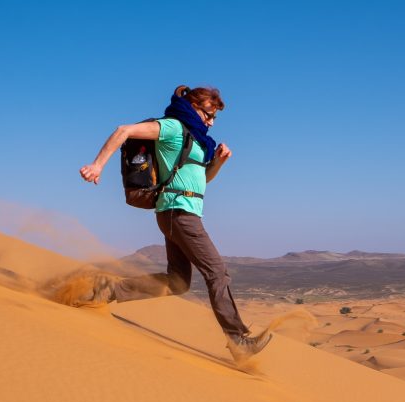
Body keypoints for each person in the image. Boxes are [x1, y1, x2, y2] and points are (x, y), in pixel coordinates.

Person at [79, 85, 272, 360]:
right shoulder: (172, 127)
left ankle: (106, 290)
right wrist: (97, 165)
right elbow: (123, 130)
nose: (211, 121)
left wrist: (218, 163)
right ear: (194, 106)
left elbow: (202, 180)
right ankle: (238, 340)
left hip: (184, 211)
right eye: (209, 113)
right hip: (177, 212)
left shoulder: (196, 140)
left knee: (178, 282)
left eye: (215, 117)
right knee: (217, 272)